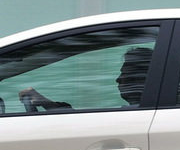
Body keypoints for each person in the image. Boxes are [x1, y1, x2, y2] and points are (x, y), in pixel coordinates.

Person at [19, 46, 153, 112]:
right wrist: (49, 104)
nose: (118, 79)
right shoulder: (139, 112)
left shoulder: (136, 115)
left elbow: (82, 127)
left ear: (140, 78)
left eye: (125, 74)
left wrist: (49, 104)